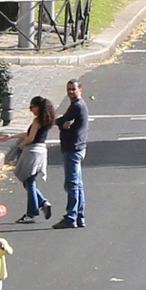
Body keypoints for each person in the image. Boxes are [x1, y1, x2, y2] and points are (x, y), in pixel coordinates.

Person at [12, 96, 53, 223]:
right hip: (41, 151)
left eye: (32, 107)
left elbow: (30, 138)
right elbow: (29, 133)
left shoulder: (37, 121)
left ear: (38, 107)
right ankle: (43, 202)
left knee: (28, 180)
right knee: (29, 180)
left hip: (33, 151)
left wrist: (22, 145)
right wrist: (11, 136)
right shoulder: (46, 120)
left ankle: (31, 213)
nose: (31, 110)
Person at [56, 79, 88, 229]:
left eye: (73, 89)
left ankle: (71, 217)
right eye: (68, 89)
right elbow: (65, 122)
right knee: (78, 185)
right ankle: (79, 217)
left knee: (72, 185)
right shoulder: (77, 106)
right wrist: (64, 124)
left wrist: (62, 123)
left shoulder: (77, 106)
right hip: (78, 149)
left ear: (80, 89)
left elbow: (61, 120)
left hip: (72, 150)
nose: (70, 92)